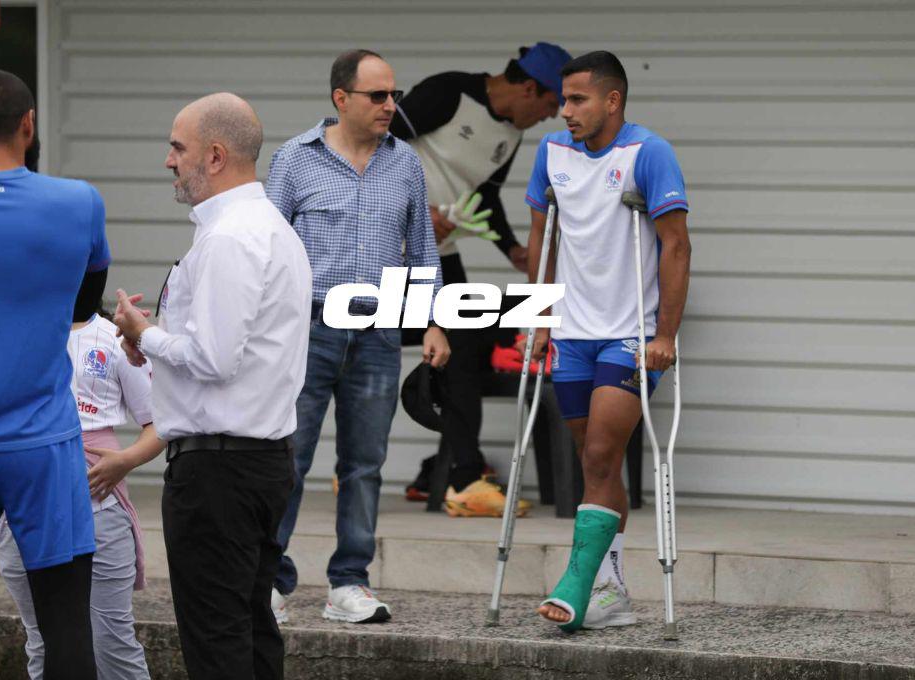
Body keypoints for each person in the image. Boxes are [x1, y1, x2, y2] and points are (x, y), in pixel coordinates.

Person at [112, 92, 312, 680]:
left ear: (216, 156)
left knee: (217, 636)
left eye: (178, 147)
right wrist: (151, 341)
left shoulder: (230, 237)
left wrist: (145, 335)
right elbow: (228, 354)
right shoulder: (267, 229)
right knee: (248, 627)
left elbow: (215, 358)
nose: (168, 160)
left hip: (219, 471)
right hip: (257, 460)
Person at [266, 49, 449, 625]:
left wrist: (434, 320)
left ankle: (349, 583)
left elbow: (422, 249)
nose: (390, 106)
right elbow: (266, 250)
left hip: (378, 331)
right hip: (308, 329)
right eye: (378, 96)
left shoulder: (406, 164)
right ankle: (268, 581)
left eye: (393, 94)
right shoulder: (295, 160)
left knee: (365, 463)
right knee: (287, 458)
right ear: (341, 98)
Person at [523, 52, 691, 631]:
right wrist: (540, 319)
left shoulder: (649, 153)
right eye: (562, 99)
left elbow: (676, 245)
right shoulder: (551, 153)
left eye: (577, 99)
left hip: (631, 334)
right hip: (571, 333)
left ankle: (575, 585)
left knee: (598, 455)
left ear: (612, 101)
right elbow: (542, 233)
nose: (563, 110)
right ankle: (611, 590)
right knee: (597, 463)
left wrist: (665, 332)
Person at [389, 42, 572, 517]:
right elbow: (375, 148)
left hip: (439, 253)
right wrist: (416, 212)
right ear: (530, 87)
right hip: (386, 246)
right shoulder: (450, 93)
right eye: (553, 104)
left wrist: (510, 246)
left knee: (470, 332)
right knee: (386, 336)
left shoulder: (509, 135)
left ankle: (457, 472)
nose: (554, 116)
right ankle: (452, 466)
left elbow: (485, 198)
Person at [0, 69, 108, 680]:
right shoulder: (78, 202)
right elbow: (85, 309)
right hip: (44, 443)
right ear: (28, 126)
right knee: (65, 627)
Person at [0, 286, 163, 680]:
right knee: (42, 641)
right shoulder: (12, 336)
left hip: (100, 509)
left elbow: (160, 424)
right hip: (25, 507)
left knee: (112, 643)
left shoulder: (112, 337)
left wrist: (125, 461)